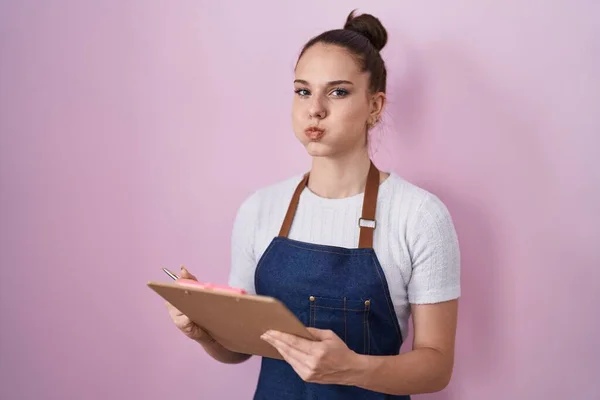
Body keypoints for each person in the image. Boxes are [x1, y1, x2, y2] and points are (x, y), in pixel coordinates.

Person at [167, 10, 460, 399]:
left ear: (375, 105)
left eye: (337, 92)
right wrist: (204, 332)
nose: (315, 108)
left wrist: (353, 368)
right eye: (303, 91)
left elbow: (436, 366)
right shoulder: (259, 209)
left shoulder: (420, 216)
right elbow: (239, 349)